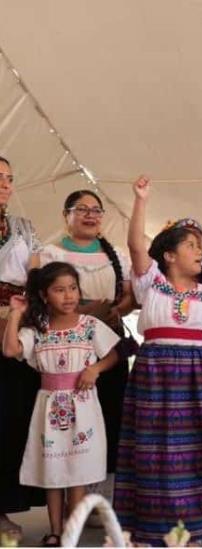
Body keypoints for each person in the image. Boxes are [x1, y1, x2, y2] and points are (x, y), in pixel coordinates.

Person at [113, 176, 202, 545]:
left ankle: (193, 528)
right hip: (155, 375)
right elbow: (135, 245)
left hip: (198, 375)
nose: (200, 251)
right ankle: (152, 531)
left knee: (198, 452)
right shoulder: (151, 284)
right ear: (169, 256)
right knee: (155, 451)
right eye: (192, 245)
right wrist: (141, 200)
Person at [2, 262, 119, 547]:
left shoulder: (90, 326)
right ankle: (55, 529)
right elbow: (9, 349)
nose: (68, 296)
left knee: (77, 472)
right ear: (44, 295)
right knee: (54, 473)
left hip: (83, 408)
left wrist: (95, 369)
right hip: (49, 410)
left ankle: (72, 529)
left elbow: (114, 354)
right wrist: (16, 312)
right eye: (59, 290)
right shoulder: (38, 330)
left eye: (72, 289)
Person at [40, 190, 136, 506]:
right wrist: (81, 312)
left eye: (96, 210)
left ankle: (103, 495)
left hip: (107, 343)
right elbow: (40, 300)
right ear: (66, 215)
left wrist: (115, 311)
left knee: (109, 413)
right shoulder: (50, 254)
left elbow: (129, 297)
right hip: (68, 347)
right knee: (70, 419)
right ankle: (70, 495)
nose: (90, 215)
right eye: (82, 209)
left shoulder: (117, 255)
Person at [0, 155, 45, 543]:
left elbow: (34, 277)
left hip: (12, 330)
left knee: (9, 419)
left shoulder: (24, 228)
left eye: (10, 178)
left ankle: (1, 511)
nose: (4, 184)